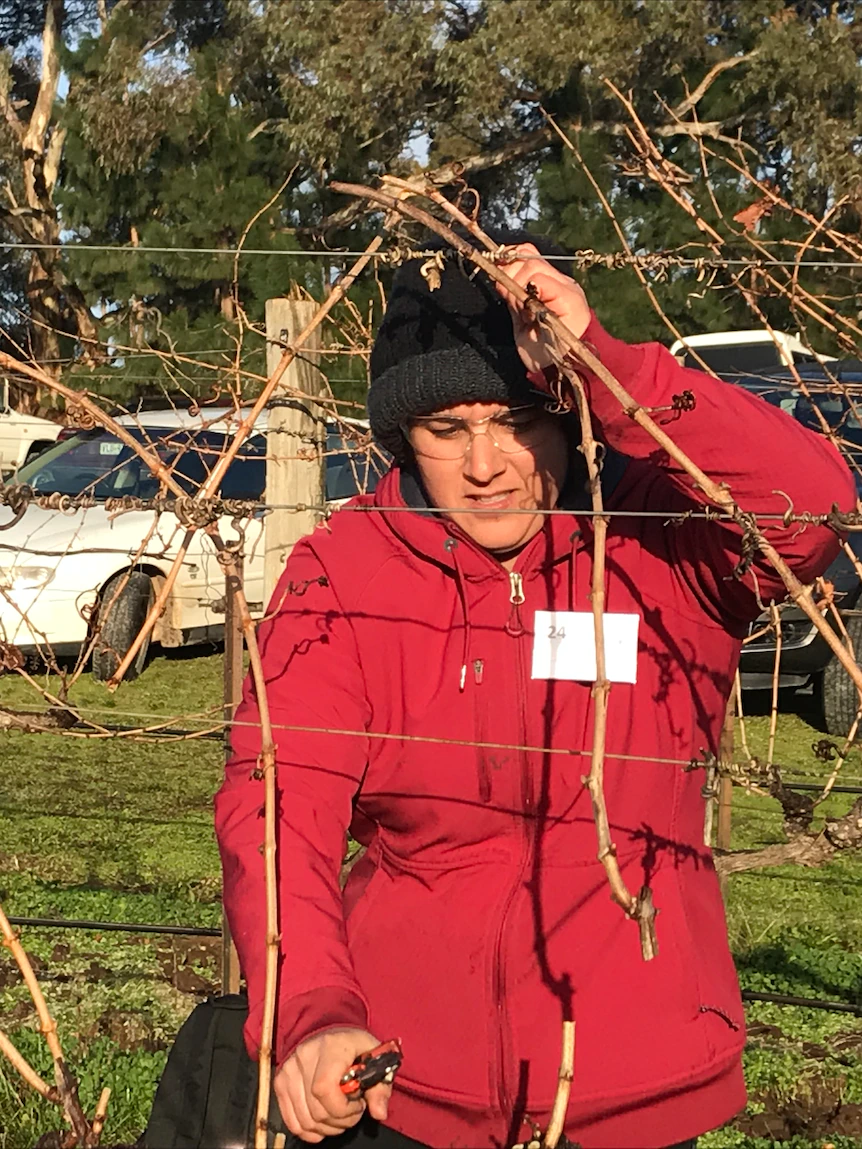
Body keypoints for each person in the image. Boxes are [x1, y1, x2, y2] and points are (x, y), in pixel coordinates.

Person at [215, 233, 854, 1149]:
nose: (486, 466)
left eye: (519, 421)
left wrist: (608, 364)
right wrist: (311, 1006)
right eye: (446, 431)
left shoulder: (663, 539)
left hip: (638, 1079)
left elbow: (813, 508)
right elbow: (280, 798)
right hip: (406, 1081)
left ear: (572, 415)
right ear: (404, 438)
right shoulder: (344, 573)